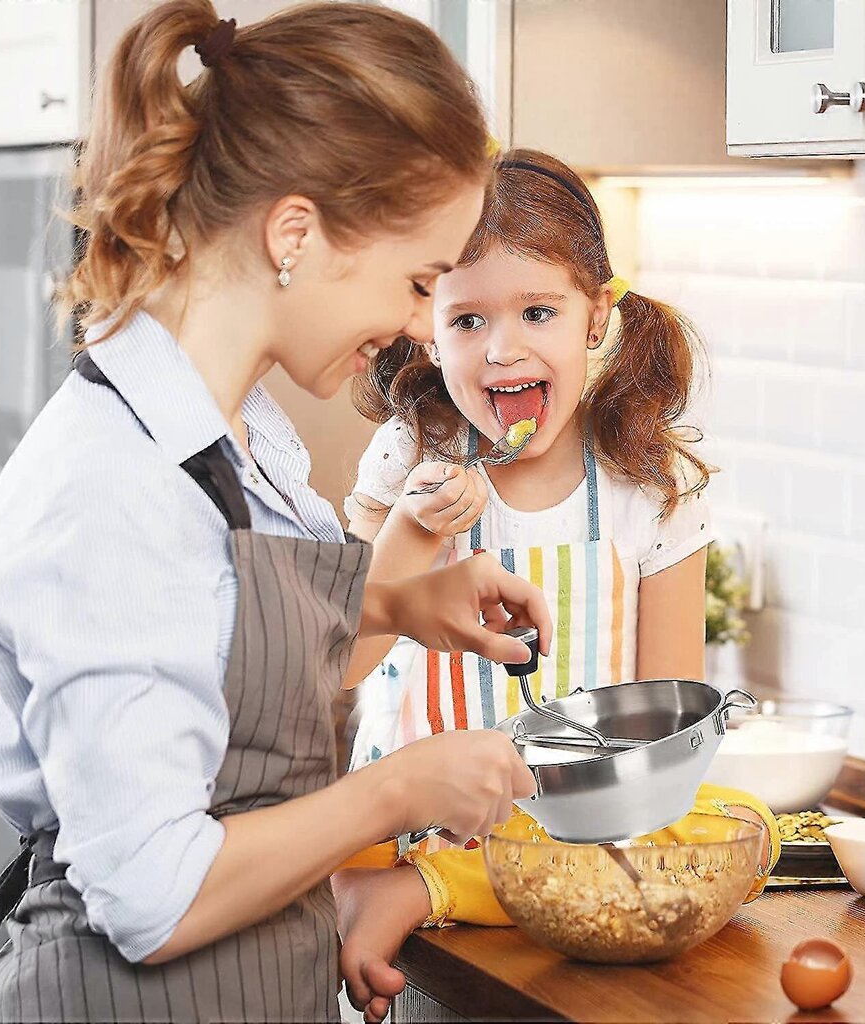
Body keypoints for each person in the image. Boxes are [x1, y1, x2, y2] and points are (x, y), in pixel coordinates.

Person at [0, 6, 554, 1023]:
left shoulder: (230, 437)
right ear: (295, 234)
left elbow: (229, 701)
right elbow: (154, 891)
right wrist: (399, 791)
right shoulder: (111, 490)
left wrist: (397, 607)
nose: (417, 328)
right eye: (418, 283)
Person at [332, 149, 781, 1023]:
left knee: (747, 823)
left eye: (538, 310)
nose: (502, 349)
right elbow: (335, 662)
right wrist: (411, 531)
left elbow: (677, 725)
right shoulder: (410, 456)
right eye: (466, 321)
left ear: (595, 316)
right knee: (356, 834)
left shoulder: (649, 484)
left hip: (587, 832)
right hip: (419, 818)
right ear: (428, 326)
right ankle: (409, 882)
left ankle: (431, 891)